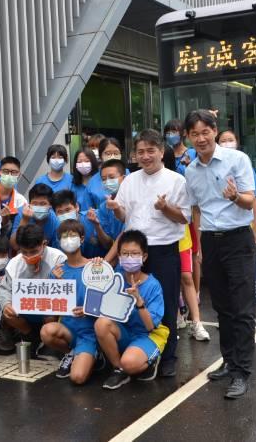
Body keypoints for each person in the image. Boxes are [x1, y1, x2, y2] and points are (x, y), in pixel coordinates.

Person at [184, 109, 256, 399]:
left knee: (242, 309)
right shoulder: (190, 170)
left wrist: (235, 197)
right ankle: (228, 361)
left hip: (238, 240)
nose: (200, 138)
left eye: (205, 131)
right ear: (188, 137)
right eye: (194, 133)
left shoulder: (237, 160)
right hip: (210, 243)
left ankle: (242, 372)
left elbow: (250, 202)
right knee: (223, 307)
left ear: (215, 131)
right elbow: (196, 210)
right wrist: (200, 246)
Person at [107, 129, 190, 377]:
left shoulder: (176, 180)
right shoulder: (130, 180)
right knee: (127, 300)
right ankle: (136, 348)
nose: (145, 156)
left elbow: (184, 217)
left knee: (166, 303)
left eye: (150, 150)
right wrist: (115, 209)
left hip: (163, 250)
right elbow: (124, 216)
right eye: (140, 151)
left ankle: (168, 357)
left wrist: (165, 208)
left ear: (161, 151)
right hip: (132, 253)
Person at [96, 230, 168, 390]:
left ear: (144, 257)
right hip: (124, 331)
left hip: (146, 334)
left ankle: (149, 361)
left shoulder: (153, 285)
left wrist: (139, 300)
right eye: (125, 254)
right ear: (119, 257)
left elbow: (150, 326)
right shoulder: (115, 277)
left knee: (130, 363)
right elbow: (96, 293)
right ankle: (118, 369)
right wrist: (96, 267)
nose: (129, 258)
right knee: (101, 324)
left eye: (134, 254)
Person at [40, 219, 100, 384]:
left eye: (72, 235)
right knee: (46, 331)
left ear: (81, 239)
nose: (68, 239)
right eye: (63, 236)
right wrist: (57, 286)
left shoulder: (94, 267)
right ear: (59, 242)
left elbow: (106, 301)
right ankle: (72, 352)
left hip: (90, 333)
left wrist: (88, 309)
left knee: (77, 378)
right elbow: (52, 312)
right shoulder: (57, 271)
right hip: (68, 330)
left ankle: (95, 353)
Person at [162, 146, 210, 342]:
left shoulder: (179, 180)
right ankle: (174, 317)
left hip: (181, 237)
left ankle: (196, 322)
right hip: (158, 238)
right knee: (165, 281)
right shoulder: (140, 180)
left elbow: (192, 211)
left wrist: (198, 241)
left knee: (186, 278)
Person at [0, 224, 66, 343]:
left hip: (49, 309)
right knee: (7, 315)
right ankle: (30, 336)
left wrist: (57, 280)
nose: (29, 256)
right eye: (25, 252)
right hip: (25, 310)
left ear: (44, 244)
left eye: (34, 251)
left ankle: (49, 342)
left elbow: (68, 290)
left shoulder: (58, 258)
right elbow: (4, 288)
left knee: (51, 314)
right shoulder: (14, 263)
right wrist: (6, 304)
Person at [217, 130, 256, 247]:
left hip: (242, 229)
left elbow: (253, 201)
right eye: (223, 141)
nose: (227, 144)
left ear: (237, 143)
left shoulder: (244, 164)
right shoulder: (212, 165)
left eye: (230, 140)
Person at [52, 190, 107, 258]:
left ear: (76, 207)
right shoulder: (58, 231)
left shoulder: (94, 217)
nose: (65, 215)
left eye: (67, 210)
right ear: (55, 214)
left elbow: (108, 245)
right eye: (60, 212)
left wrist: (97, 226)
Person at [10, 183, 60, 250]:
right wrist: (24, 220)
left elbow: (56, 250)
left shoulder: (55, 221)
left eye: (43, 204)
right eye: (35, 203)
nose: (38, 207)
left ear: (50, 206)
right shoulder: (21, 213)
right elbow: (15, 246)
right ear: (29, 204)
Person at [94, 159, 126, 245]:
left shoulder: (132, 201)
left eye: (112, 177)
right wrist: (97, 226)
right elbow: (107, 244)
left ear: (123, 178)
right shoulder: (104, 207)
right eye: (104, 179)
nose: (107, 182)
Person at [88, 137, 125, 206]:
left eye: (116, 153)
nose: (112, 156)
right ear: (100, 156)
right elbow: (87, 210)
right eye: (108, 154)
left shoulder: (131, 176)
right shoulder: (92, 182)